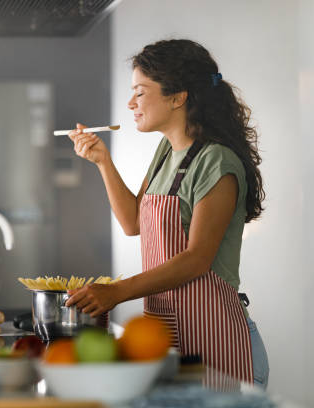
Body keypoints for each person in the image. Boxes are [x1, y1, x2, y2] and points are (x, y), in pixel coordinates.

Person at [64, 39, 269, 388]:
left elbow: (196, 260)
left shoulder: (215, 161)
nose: (131, 103)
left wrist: (117, 292)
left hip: (218, 343)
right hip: (171, 338)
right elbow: (132, 223)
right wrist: (102, 161)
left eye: (140, 92)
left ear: (178, 96)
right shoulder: (165, 152)